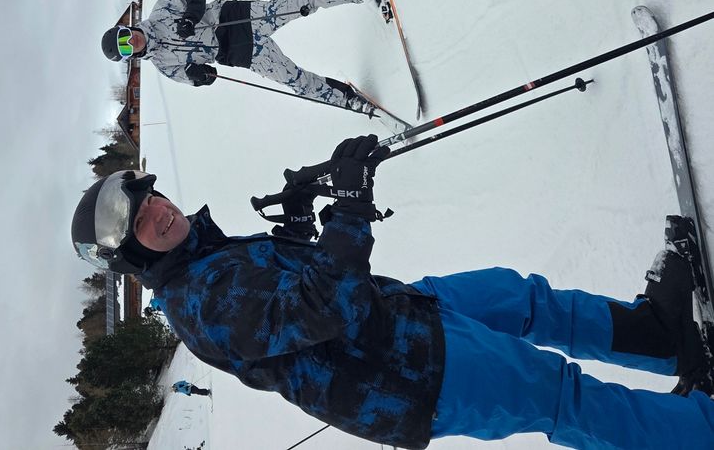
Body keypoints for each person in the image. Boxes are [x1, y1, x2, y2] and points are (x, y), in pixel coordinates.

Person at [71, 135, 714, 449]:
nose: (157, 210)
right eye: (140, 222)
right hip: (407, 376)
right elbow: (327, 307)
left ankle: (658, 336)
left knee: (522, 300)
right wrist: (348, 209)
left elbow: (288, 291)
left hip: (404, 314)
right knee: (561, 396)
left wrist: (297, 216)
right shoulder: (199, 303)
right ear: (131, 253)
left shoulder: (201, 255)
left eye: (148, 194)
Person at [99, 0, 386, 116]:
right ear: (130, 58)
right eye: (126, 49)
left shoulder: (161, 11)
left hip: (235, 17)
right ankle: (348, 99)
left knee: (299, 4)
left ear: (129, 27)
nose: (131, 41)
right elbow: (200, 77)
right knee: (294, 81)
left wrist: (190, 16)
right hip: (239, 53)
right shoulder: (164, 65)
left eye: (125, 36)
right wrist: (201, 75)